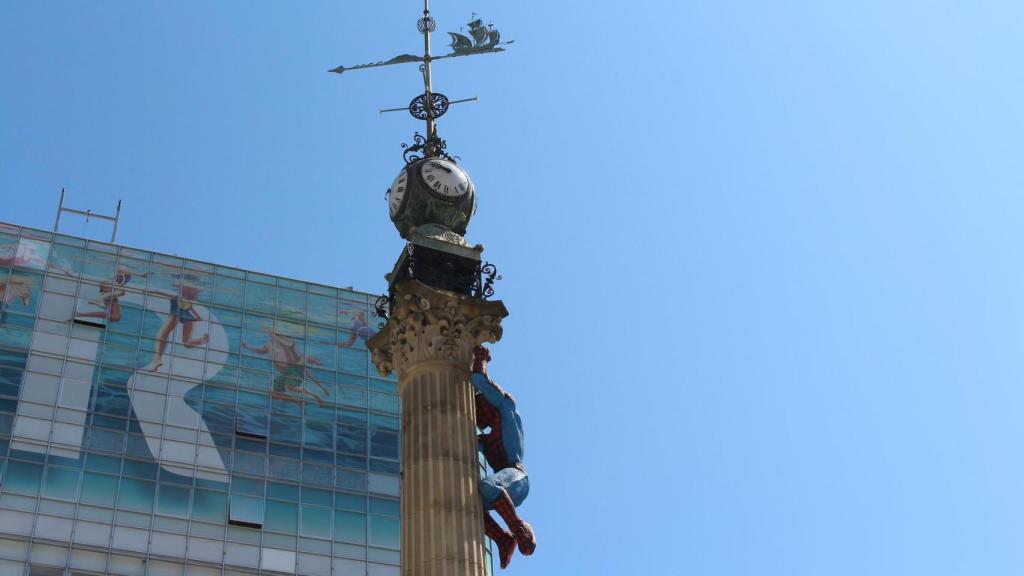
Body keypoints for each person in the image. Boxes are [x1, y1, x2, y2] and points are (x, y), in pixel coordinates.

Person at [471, 345, 536, 569]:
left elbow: (479, 380)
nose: (477, 416)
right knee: (470, 507)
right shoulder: (485, 440)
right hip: (504, 491)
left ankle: (518, 527)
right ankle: (502, 538)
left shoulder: (506, 407)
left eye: (477, 408)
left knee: (487, 486)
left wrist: (481, 358)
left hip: (517, 477)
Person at [242, 326, 330, 407]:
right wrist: (248, 347)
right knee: (274, 393)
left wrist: (271, 333)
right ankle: (297, 402)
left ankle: (314, 395)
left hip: (293, 369)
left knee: (291, 387)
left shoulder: (287, 340)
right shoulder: (269, 343)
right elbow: (261, 351)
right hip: (283, 372)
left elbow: (289, 346)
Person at [146, 283, 209, 371]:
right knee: (186, 342)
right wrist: (197, 319)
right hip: (188, 319)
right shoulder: (190, 303)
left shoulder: (177, 297)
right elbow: (198, 317)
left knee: (161, 336)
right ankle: (202, 340)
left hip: (175, 315)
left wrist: (151, 291)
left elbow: (161, 293)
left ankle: (157, 360)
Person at [76, 266, 144, 323]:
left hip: (110, 299)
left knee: (112, 304)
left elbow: (103, 309)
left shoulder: (109, 293)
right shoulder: (111, 292)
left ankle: (83, 312)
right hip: (110, 298)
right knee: (113, 299)